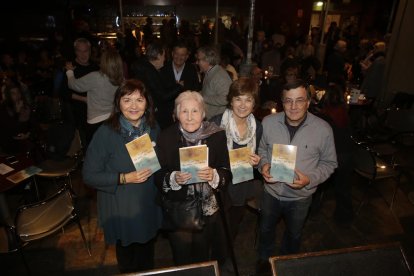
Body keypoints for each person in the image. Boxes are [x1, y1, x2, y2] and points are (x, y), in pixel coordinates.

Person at [256, 79, 337, 272]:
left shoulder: (323, 129)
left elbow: (330, 163)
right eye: (288, 101)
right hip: (271, 192)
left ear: (308, 102)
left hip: (301, 197)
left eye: (299, 100)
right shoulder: (268, 122)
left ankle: (287, 264)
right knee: (265, 230)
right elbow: (261, 150)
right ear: (281, 102)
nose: (293, 107)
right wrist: (264, 165)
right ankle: (264, 264)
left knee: (294, 235)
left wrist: (310, 179)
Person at [82, 79, 162, 273]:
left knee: (147, 257)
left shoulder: (153, 128)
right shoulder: (106, 133)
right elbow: (89, 175)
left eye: (139, 100)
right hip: (122, 206)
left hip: (147, 202)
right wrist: (125, 178)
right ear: (118, 103)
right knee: (128, 261)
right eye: (127, 100)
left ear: (147, 103)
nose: (133, 106)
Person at [155, 91, 232, 266]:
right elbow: (157, 176)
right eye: (184, 111)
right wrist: (173, 178)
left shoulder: (217, 135)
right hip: (179, 210)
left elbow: (227, 170)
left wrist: (215, 175)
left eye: (195, 111)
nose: (190, 117)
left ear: (203, 113)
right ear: (176, 114)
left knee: (202, 256)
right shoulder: (165, 137)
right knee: (181, 257)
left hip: (208, 211)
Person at [210, 77, 263, 241]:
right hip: (219, 187)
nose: (242, 104)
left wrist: (257, 162)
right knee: (216, 229)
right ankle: (214, 263)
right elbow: (207, 156)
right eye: (238, 98)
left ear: (254, 104)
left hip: (241, 184)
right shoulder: (216, 123)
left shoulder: (258, 127)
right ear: (231, 101)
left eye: (248, 100)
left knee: (232, 228)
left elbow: (259, 154)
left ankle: (224, 259)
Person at [66, 48, 124, 146]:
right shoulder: (121, 80)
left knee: (96, 154)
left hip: (96, 121)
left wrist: (69, 72)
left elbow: (73, 85)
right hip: (115, 119)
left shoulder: (95, 77)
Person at [317, 84, 354, 224]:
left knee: (317, 184)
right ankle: (345, 219)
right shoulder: (344, 113)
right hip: (347, 156)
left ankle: (313, 211)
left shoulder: (324, 116)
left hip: (333, 157)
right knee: (343, 190)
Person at [131, 42, 178, 129]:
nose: (165, 58)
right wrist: (179, 86)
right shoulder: (149, 72)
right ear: (158, 56)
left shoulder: (147, 69)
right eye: (164, 55)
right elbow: (163, 95)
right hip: (156, 117)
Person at [61, 38, 99, 146]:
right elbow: (64, 92)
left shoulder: (95, 67)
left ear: (90, 51)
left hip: (96, 112)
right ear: (75, 51)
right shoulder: (71, 69)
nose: (83, 54)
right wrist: (84, 99)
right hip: (79, 113)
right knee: (87, 144)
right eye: (79, 51)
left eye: (85, 51)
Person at [196, 45, 232, 119]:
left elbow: (226, 98)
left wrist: (202, 97)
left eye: (199, 60)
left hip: (217, 122)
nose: (197, 62)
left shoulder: (219, 76)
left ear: (207, 60)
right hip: (210, 120)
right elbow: (209, 91)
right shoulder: (210, 73)